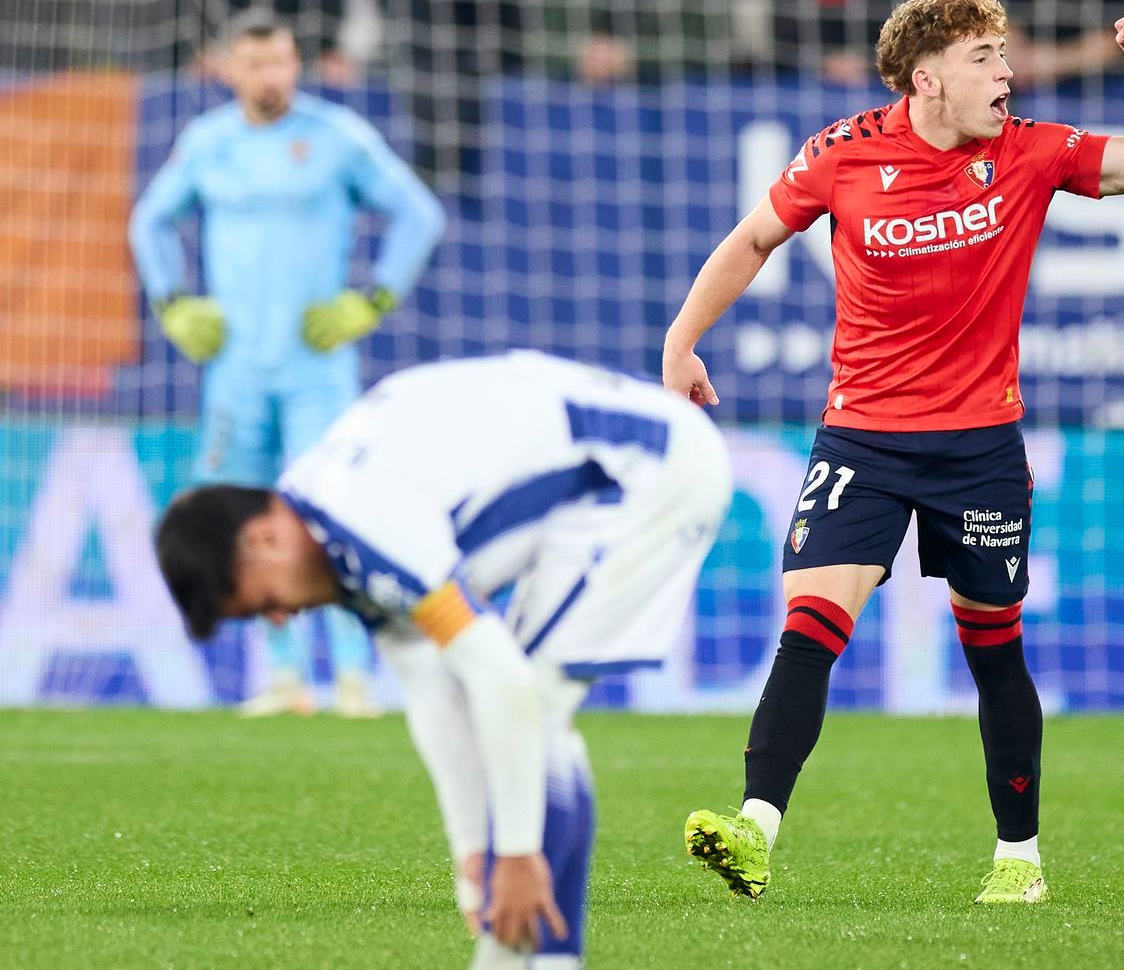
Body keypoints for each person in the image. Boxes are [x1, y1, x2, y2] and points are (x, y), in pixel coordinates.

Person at [663, 0, 1124, 905]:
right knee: (809, 625)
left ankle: (1019, 860)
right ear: (927, 79)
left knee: (992, 645)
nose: (1007, 73)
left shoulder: (1030, 151)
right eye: (984, 57)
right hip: (862, 439)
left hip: (979, 447)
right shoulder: (842, 153)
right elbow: (753, 239)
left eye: (1004, 54)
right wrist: (682, 341)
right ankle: (754, 829)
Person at [152, 351, 733, 969]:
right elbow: (428, 684)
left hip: (647, 474)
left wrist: (514, 854)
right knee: (535, 724)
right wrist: (472, 850)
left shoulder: (361, 520)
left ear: (263, 539)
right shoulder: (333, 532)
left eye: (261, 602)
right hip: (614, 471)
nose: (277, 618)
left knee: (532, 709)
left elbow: (503, 681)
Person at [130, 9, 444, 718]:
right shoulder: (208, 143)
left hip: (315, 366)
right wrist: (173, 301)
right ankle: (283, 677)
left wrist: (372, 299)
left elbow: (419, 213)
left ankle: (356, 677)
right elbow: (149, 220)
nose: (269, 76)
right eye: (255, 64)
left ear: (295, 63)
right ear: (228, 69)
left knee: (331, 512)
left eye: (280, 62)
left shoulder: (336, 136)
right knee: (241, 518)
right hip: (235, 368)